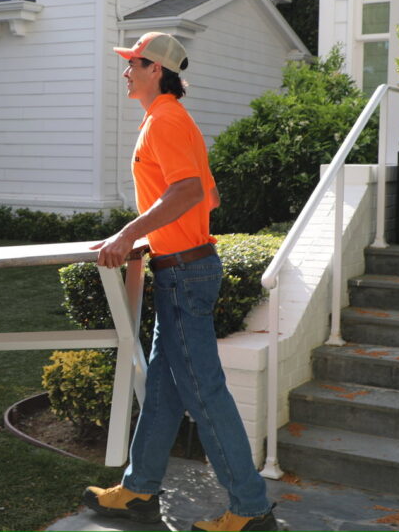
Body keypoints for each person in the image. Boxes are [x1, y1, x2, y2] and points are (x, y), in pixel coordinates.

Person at [83, 33, 277, 531]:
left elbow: (191, 190)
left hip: (184, 274)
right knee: (167, 391)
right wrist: (160, 229)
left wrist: (128, 234)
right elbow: (209, 198)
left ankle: (251, 510)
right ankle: (139, 489)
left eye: (134, 63)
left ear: (157, 71)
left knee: (205, 393)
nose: (126, 70)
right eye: (128, 62)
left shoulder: (165, 122)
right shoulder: (171, 120)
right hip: (184, 268)